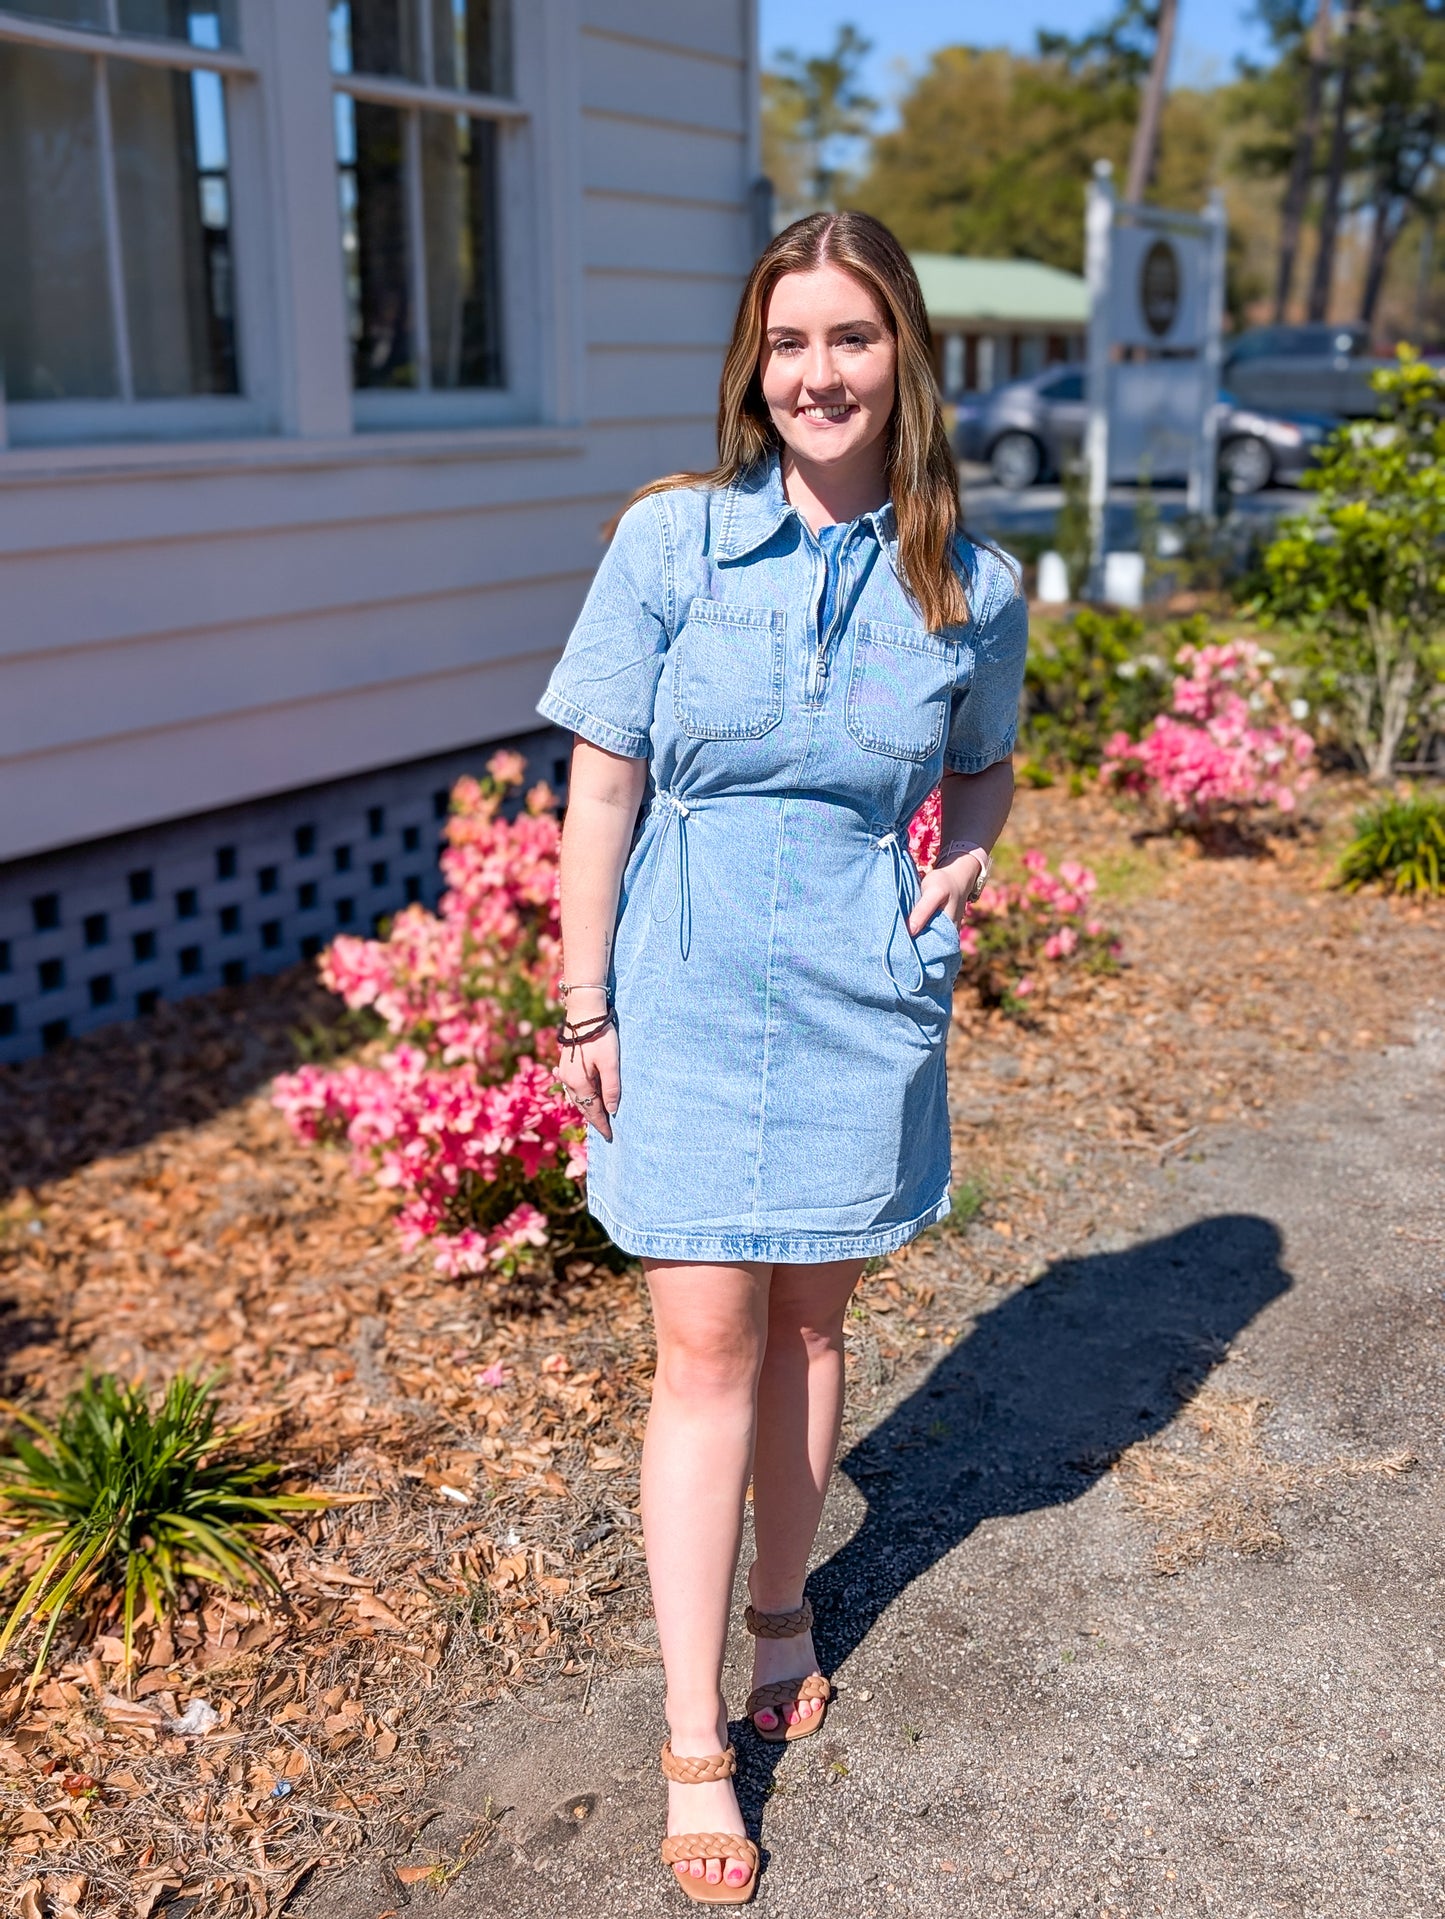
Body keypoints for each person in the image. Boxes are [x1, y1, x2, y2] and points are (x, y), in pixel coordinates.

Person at [538, 209, 1026, 1904]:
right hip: (675, 986)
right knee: (703, 1347)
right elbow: (599, 787)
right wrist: (582, 1000)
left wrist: (960, 857)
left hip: (852, 987)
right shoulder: (671, 546)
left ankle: (782, 1609)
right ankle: (693, 1739)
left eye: (851, 337)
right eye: (790, 340)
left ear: (904, 358)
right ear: (757, 365)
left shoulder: (974, 584)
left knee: (810, 1320)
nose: (819, 372)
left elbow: (980, 760)